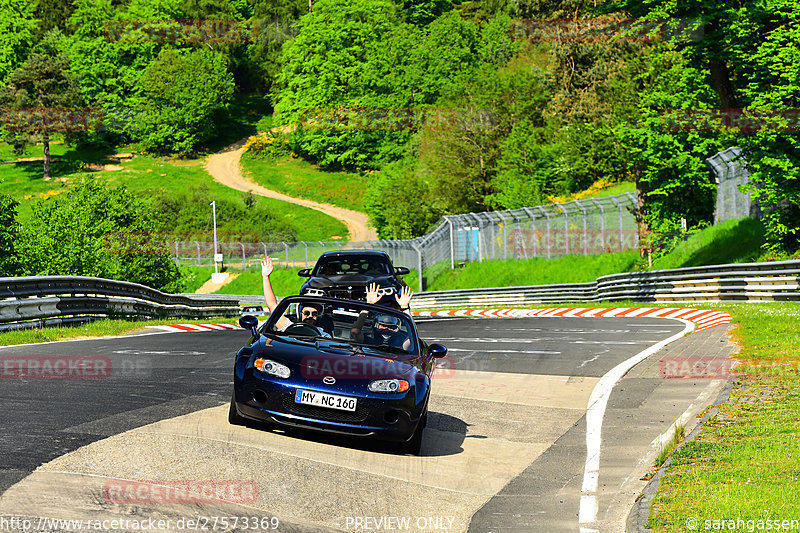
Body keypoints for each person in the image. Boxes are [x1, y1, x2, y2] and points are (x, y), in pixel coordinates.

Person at [261, 256, 328, 335]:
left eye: (314, 314)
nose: (310, 316)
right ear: (300, 313)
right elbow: (272, 306)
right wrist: (266, 277)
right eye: (306, 313)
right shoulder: (289, 326)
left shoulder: (323, 334)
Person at [350, 283, 414, 351]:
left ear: (397, 328)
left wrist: (405, 308)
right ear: (376, 325)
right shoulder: (368, 340)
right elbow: (355, 331)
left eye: (391, 327)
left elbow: (413, 336)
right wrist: (368, 305)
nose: (387, 328)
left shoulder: (401, 342)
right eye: (383, 325)